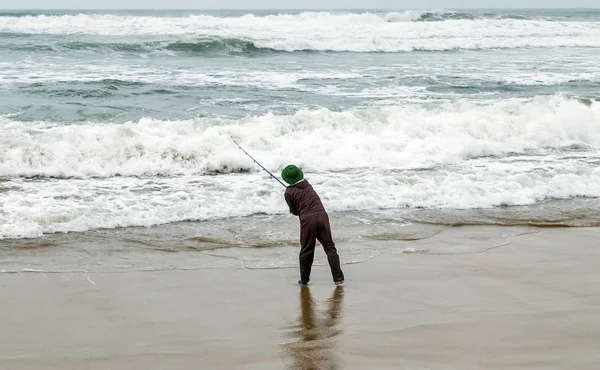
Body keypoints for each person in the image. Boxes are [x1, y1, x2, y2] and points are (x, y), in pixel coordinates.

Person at [281, 164, 345, 285]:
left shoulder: (288, 192)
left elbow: (295, 211)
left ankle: (304, 279)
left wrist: (291, 196)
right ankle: (338, 278)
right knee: (330, 247)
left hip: (308, 220)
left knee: (306, 250)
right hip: (322, 216)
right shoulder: (307, 184)